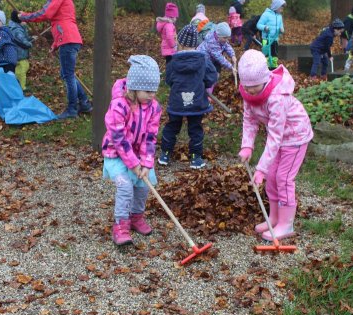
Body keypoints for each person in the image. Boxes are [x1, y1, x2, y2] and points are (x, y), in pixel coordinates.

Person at [237, 50, 313, 241]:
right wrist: (247, 146)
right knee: (272, 176)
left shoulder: (277, 97)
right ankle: (275, 217)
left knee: (284, 178)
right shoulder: (248, 93)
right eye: (248, 86)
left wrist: (260, 168)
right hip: (279, 138)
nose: (251, 91)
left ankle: (286, 224)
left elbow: (275, 136)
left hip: (295, 136)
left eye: (256, 86)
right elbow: (249, 119)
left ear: (265, 78)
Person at [102, 55, 162, 246]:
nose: (152, 95)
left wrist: (146, 162)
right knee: (125, 186)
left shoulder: (154, 107)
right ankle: (121, 224)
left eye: (154, 90)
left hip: (139, 156)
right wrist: (133, 163)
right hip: (116, 154)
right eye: (147, 91)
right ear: (134, 87)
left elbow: (150, 137)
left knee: (143, 186)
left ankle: (136, 217)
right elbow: (118, 138)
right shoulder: (119, 105)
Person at [19, 0, 93, 119]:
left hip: (68, 39)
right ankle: (84, 103)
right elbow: (62, 20)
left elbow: (45, 13)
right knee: (67, 74)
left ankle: (72, 109)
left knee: (68, 75)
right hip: (70, 39)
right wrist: (55, 45)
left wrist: (24, 16)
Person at [158, 25, 218, 169]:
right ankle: (195, 158)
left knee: (172, 126)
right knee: (195, 128)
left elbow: (169, 80)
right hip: (197, 101)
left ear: (180, 42)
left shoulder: (173, 61)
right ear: (196, 43)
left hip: (177, 102)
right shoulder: (203, 60)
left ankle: (165, 154)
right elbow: (212, 76)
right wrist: (204, 84)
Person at [257, 0, 286, 69]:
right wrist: (265, 27)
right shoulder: (266, 14)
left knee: (274, 54)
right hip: (266, 39)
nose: (282, 10)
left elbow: (281, 26)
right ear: (276, 7)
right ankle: (265, 69)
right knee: (266, 54)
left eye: (282, 8)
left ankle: (273, 68)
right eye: (281, 8)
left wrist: (281, 29)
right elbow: (258, 25)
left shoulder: (279, 16)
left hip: (275, 39)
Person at [9, 10, 33, 92]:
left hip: (21, 53)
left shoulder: (18, 27)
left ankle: (18, 85)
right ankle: (21, 87)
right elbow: (22, 41)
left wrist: (31, 38)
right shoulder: (16, 29)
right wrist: (29, 44)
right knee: (21, 70)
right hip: (19, 53)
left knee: (25, 67)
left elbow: (25, 37)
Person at [342, 5, 353, 72]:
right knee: (350, 56)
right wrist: (349, 38)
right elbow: (345, 31)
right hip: (348, 38)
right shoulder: (348, 19)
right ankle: (346, 69)